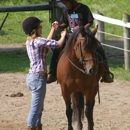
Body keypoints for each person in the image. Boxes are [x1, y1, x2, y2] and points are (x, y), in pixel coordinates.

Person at [47, 0, 114, 83]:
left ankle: (105, 72)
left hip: (84, 36)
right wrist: (59, 26)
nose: (66, 5)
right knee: (57, 50)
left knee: (99, 47)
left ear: (72, 1)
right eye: (64, 4)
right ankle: (52, 73)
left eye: (66, 3)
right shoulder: (66, 10)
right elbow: (65, 23)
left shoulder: (84, 8)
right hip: (70, 36)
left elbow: (90, 22)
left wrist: (82, 29)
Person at [22, 16, 66, 130]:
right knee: (36, 108)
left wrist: (53, 30)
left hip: (32, 77)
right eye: (39, 26)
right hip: (38, 78)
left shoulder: (30, 42)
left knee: (39, 107)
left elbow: (46, 46)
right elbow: (58, 44)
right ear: (35, 29)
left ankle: (37, 126)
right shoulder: (38, 41)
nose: (41, 27)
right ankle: (31, 126)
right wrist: (63, 36)